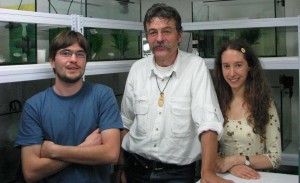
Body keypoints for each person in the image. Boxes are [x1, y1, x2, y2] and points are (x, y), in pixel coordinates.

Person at [115, 3, 234, 183]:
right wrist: (121, 167)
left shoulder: (195, 67)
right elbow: (125, 122)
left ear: (179, 35)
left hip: (177, 175)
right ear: (147, 36)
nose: (159, 38)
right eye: (153, 32)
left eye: (167, 31)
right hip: (135, 169)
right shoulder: (137, 70)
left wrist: (207, 172)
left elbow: (208, 121)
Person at [15, 30, 123, 183]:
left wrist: (54, 150)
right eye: (66, 53)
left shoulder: (102, 96)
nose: (74, 59)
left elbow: (111, 154)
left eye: (80, 54)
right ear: (52, 61)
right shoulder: (35, 106)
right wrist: (85, 147)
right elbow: (31, 171)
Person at [213, 39, 282, 179]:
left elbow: (275, 158)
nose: (232, 73)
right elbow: (208, 153)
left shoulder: (264, 104)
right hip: (223, 177)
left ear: (249, 66)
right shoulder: (215, 103)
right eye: (226, 66)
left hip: (256, 178)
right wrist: (231, 167)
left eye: (238, 65)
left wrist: (235, 161)